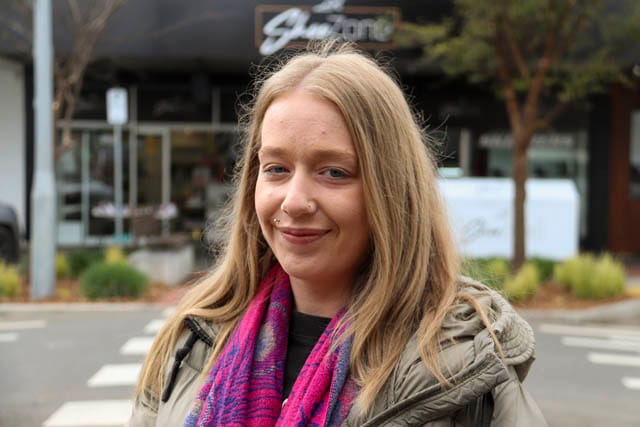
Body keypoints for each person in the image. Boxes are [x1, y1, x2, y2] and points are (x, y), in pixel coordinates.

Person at [130, 41, 547, 426]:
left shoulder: (463, 365)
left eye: (334, 172)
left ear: (393, 189)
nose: (294, 201)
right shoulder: (192, 339)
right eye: (276, 168)